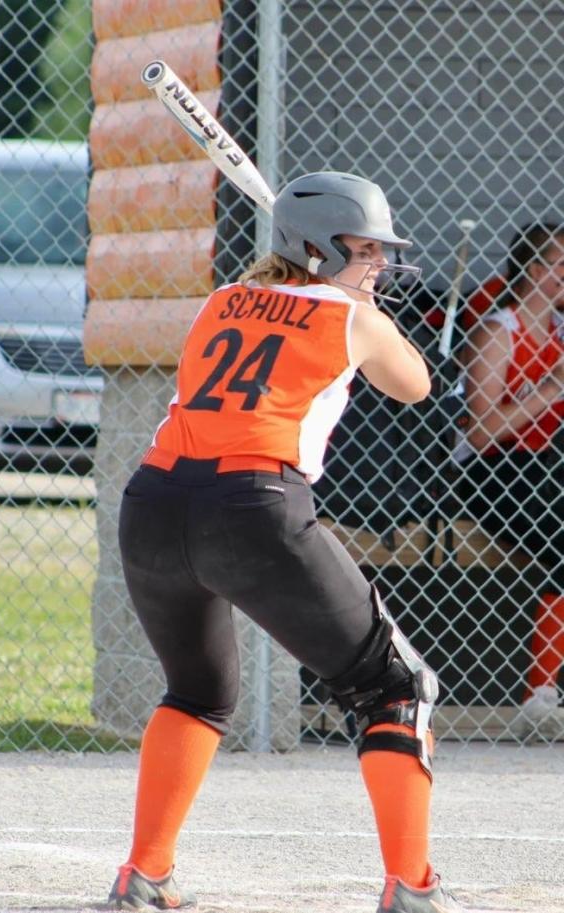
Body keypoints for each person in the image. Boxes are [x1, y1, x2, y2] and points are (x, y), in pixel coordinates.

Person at [103, 173, 464, 913]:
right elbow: (416, 384)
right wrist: (357, 307)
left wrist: (342, 292)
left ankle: (145, 873)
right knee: (396, 688)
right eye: (365, 251)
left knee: (198, 692)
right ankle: (413, 887)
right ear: (318, 249)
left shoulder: (218, 302)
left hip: (154, 505)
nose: (379, 267)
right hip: (254, 507)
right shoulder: (351, 317)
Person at [459, 222, 564, 740]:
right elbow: (480, 433)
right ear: (534, 270)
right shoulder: (500, 330)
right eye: (559, 264)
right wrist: (552, 388)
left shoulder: (562, 331)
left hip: (551, 471)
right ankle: (540, 694)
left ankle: (541, 695)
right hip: (497, 472)